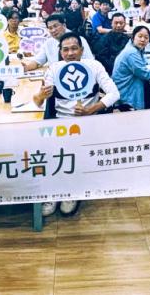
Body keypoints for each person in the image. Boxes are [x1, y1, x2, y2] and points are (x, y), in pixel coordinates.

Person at [34, 32, 119, 218]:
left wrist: (92, 109)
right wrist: (41, 95)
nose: (70, 53)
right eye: (65, 49)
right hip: (59, 123)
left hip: (87, 123)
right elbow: (37, 103)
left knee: (75, 157)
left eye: (74, 48)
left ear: (81, 50)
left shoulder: (94, 66)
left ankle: (72, 192)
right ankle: (53, 194)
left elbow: (114, 94)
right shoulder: (54, 69)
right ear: (60, 52)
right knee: (53, 156)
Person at [112, 26, 150, 110]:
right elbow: (145, 74)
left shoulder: (132, 47)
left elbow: (142, 60)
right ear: (133, 37)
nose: (143, 40)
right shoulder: (131, 52)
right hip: (127, 95)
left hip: (126, 88)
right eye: (140, 36)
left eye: (146, 37)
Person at [23, 13, 94, 70]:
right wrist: (26, 67)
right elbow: (38, 61)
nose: (53, 30)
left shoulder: (79, 40)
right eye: (50, 28)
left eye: (56, 26)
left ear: (64, 25)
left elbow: (90, 63)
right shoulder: (48, 43)